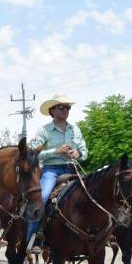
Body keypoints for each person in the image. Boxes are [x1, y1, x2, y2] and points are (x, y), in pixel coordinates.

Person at [26, 94, 87, 253]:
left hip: (73, 169)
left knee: (93, 194)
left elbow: (84, 150)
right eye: (61, 107)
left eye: (68, 107)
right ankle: (34, 238)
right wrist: (56, 151)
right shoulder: (44, 130)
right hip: (52, 170)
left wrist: (78, 154)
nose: (65, 110)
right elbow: (34, 153)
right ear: (52, 110)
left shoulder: (75, 129)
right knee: (43, 197)